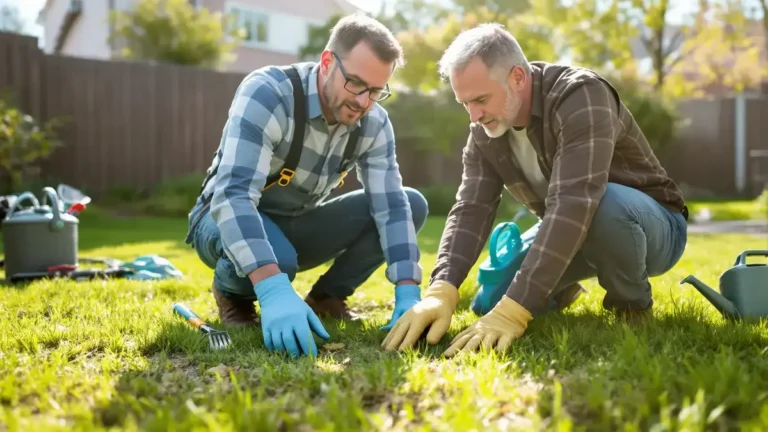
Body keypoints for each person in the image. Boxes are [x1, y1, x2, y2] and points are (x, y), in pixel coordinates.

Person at [381, 23, 688, 356]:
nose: (474, 115)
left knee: (602, 203)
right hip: (576, 233)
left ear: (517, 78)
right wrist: (441, 290)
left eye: (481, 99)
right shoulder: (484, 131)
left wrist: (516, 312)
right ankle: (562, 289)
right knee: (490, 302)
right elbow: (471, 208)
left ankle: (630, 305)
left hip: (651, 229)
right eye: (465, 103)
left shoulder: (581, 95)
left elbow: (575, 201)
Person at [185, 13, 429, 358]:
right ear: (327, 62)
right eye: (356, 83)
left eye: (376, 91)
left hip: (297, 222)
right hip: (222, 217)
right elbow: (233, 195)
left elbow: (390, 206)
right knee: (279, 262)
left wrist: (408, 292)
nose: (363, 101)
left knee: (411, 202)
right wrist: (272, 289)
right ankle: (233, 293)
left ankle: (326, 298)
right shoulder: (269, 92)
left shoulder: (373, 122)